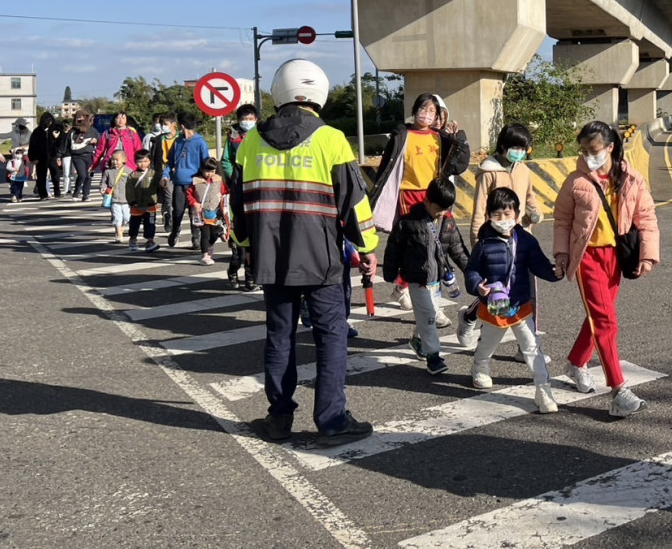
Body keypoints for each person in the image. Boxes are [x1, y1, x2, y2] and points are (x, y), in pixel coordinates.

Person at [231, 58, 377, 448]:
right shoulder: (331, 138)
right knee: (331, 338)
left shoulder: (250, 142)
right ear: (320, 93)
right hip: (322, 260)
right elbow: (354, 203)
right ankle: (331, 420)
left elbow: (238, 204)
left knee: (279, 336)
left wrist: (246, 247)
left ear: (278, 92)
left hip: (270, 259)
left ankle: (279, 418)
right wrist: (367, 247)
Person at [553, 120, 659, 418]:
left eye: (594, 149)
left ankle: (575, 362)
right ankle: (617, 390)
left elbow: (646, 217)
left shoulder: (631, 179)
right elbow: (562, 220)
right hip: (587, 257)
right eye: (584, 150)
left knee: (599, 316)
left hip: (616, 256)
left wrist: (648, 255)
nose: (589, 155)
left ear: (611, 146)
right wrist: (562, 254)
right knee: (606, 322)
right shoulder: (576, 181)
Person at [371, 93, 470, 311]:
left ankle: (413, 291)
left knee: (435, 244)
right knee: (414, 244)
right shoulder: (402, 135)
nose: (426, 115)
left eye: (432, 111)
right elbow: (386, 168)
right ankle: (408, 288)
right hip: (408, 194)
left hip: (433, 194)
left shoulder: (439, 137)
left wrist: (457, 139)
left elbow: (458, 165)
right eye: (423, 109)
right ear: (414, 110)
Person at [465, 187, 560, 413]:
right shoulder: (484, 244)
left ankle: (543, 389)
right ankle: (480, 366)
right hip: (495, 306)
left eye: (507, 215)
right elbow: (471, 270)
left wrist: (554, 272)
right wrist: (478, 285)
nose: (503, 220)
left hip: (520, 305)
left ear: (517, 215)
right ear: (489, 215)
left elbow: (538, 263)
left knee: (532, 347)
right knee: (489, 343)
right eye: (497, 215)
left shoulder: (525, 240)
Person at [460, 122, 545, 350]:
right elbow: (479, 210)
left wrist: (536, 213)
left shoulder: (523, 170)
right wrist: (478, 244)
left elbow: (530, 198)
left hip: (521, 241)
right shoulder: (488, 172)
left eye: (523, 148)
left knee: (526, 291)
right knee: (496, 291)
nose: (520, 152)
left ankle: (525, 347)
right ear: (503, 145)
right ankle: (471, 318)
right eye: (516, 147)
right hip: (494, 242)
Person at [382, 178, 469, 377]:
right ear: (427, 201)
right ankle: (433, 357)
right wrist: (390, 271)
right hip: (417, 280)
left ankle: (417, 341)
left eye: (446, 209)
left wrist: (471, 270)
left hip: (436, 281)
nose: (442, 213)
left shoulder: (447, 221)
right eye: (439, 208)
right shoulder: (408, 222)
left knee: (427, 316)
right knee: (430, 318)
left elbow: (457, 249)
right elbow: (393, 249)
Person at [165, 112, 209, 248]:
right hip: (179, 183)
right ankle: (175, 231)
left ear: (182, 126)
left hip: (194, 184)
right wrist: (165, 175)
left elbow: (206, 162)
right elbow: (170, 161)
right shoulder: (178, 141)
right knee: (177, 211)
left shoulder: (200, 142)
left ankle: (196, 238)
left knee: (194, 212)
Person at [186, 157, 227, 266]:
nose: (209, 174)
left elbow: (224, 192)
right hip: (201, 213)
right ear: (202, 170)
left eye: (212, 171)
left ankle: (211, 243)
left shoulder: (218, 180)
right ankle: (205, 255)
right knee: (205, 234)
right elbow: (189, 194)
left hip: (215, 212)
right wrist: (194, 203)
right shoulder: (196, 181)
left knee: (214, 234)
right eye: (207, 171)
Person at [126, 149, 161, 252]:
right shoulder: (132, 175)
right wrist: (132, 202)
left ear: (149, 161)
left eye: (145, 161)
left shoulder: (153, 174)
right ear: (135, 162)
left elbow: (158, 187)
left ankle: (150, 241)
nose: (142, 164)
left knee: (150, 224)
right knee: (134, 224)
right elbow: (129, 190)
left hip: (150, 205)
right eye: (140, 161)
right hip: (136, 205)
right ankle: (133, 239)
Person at [149, 114, 178, 232]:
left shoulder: (180, 138)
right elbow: (153, 156)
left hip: (180, 172)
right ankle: (169, 217)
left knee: (178, 199)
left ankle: (170, 214)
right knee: (169, 196)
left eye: (165, 124)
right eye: (162, 124)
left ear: (174, 124)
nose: (163, 127)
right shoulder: (158, 139)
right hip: (164, 172)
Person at [92, 111, 143, 176]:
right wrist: (93, 165)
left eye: (123, 118)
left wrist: (140, 164)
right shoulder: (107, 133)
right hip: (111, 165)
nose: (120, 120)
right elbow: (99, 151)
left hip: (129, 165)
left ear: (126, 120)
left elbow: (138, 150)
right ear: (114, 119)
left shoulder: (132, 134)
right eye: (118, 118)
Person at [98, 149, 134, 242]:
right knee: (117, 217)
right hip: (114, 199)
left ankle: (121, 227)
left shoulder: (129, 171)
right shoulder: (108, 171)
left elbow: (133, 184)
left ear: (124, 160)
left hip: (126, 200)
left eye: (117, 159)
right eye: (113, 159)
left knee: (127, 217)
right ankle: (118, 233)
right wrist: (103, 188)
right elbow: (103, 182)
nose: (114, 162)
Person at [28, 112, 65, 199]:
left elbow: (61, 143)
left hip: (53, 156)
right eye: (47, 121)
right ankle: (42, 194)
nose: (49, 123)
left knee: (55, 175)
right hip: (40, 157)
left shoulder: (56, 130)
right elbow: (32, 145)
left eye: (50, 121)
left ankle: (57, 192)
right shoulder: (37, 131)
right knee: (41, 177)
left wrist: (57, 137)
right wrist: (33, 158)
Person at [66, 113, 100, 201]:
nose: (80, 121)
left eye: (82, 119)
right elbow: (66, 143)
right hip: (77, 156)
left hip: (89, 155)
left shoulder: (93, 130)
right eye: (78, 119)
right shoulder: (72, 131)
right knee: (82, 175)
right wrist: (59, 156)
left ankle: (86, 195)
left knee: (89, 176)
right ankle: (76, 193)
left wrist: (95, 141)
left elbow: (100, 142)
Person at [221, 103, 258, 179]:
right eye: (244, 119)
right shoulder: (233, 137)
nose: (247, 121)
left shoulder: (262, 134)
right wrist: (233, 176)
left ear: (256, 120)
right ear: (238, 120)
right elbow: (226, 159)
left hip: (258, 177)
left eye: (250, 119)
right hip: (238, 179)